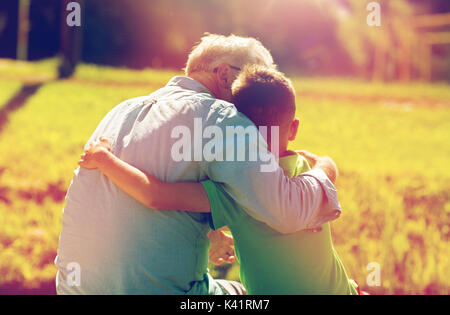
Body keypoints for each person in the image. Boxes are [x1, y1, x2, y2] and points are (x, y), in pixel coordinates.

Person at [55, 34, 340, 294]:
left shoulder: (121, 110)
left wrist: (211, 230)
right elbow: (287, 210)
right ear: (224, 74)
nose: (252, 104)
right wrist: (326, 168)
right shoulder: (222, 117)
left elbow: (154, 191)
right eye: (249, 84)